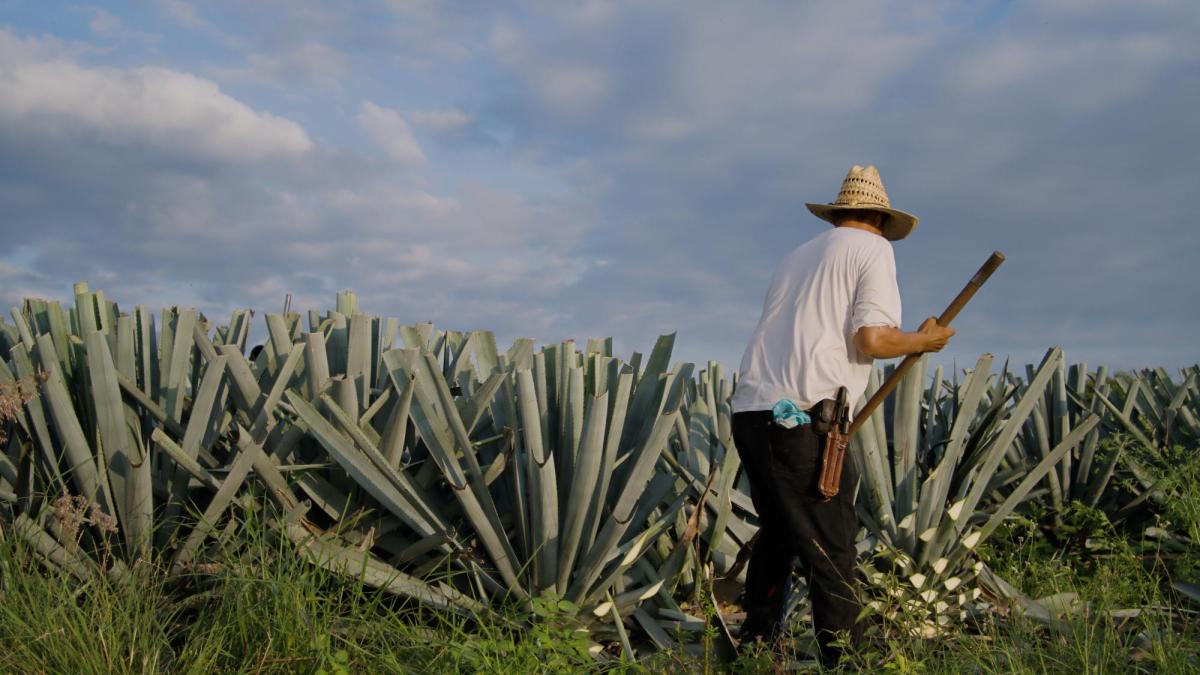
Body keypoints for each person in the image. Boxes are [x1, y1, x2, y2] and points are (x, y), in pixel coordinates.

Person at [730, 165, 954, 666]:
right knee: (831, 549)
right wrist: (925, 341)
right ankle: (848, 663)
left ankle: (758, 650)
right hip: (804, 418)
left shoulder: (796, 258)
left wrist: (915, 339)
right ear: (881, 219)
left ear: (837, 215)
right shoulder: (873, 249)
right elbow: (872, 339)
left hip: (751, 412)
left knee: (780, 534)